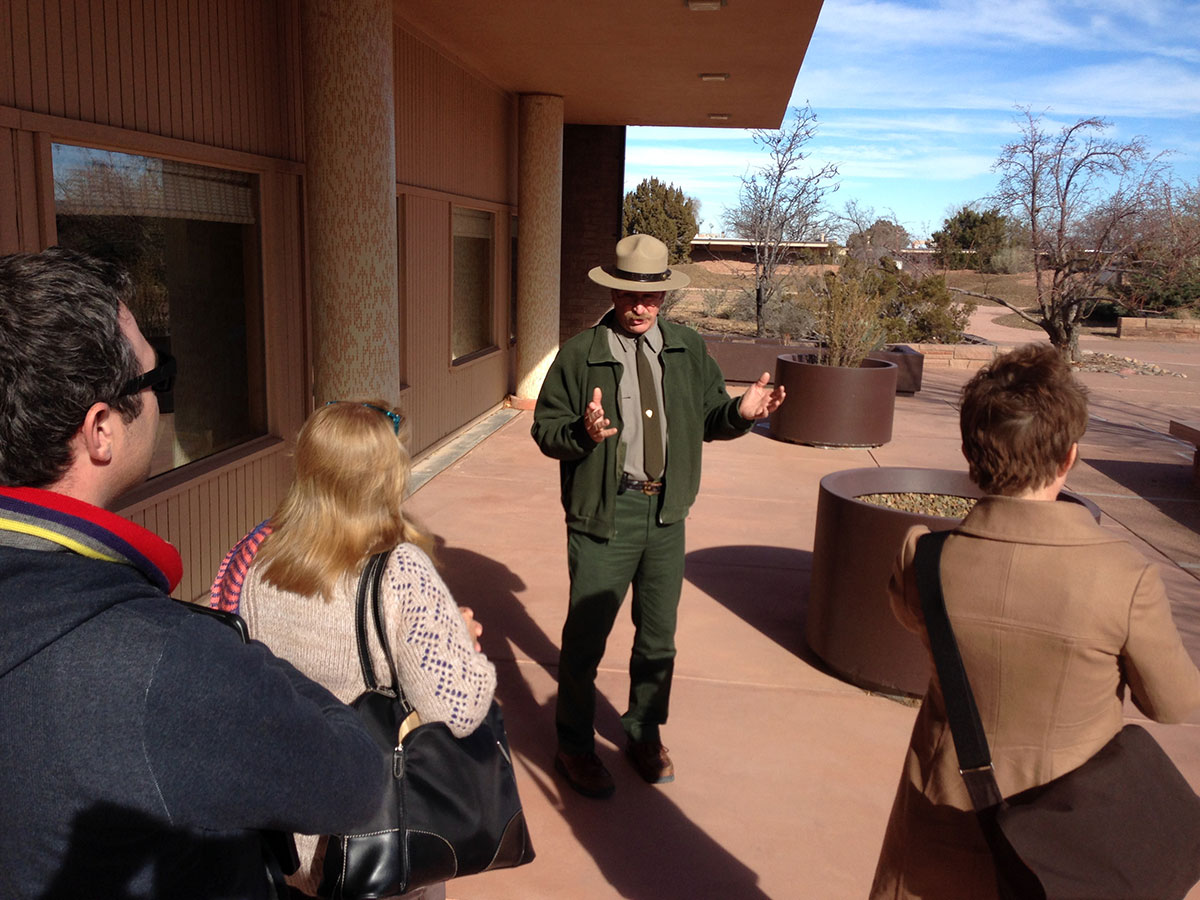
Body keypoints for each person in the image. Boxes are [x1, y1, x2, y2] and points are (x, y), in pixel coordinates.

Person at [0, 248, 387, 899]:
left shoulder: (233, 570)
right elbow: (354, 783)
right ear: (101, 430)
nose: (164, 400)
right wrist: (240, 663)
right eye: (163, 379)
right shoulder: (168, 663)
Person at [869, 343, 1200, 899]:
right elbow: (1173, 703)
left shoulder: (923, 558)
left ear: (972, 451)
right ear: (1069, 456)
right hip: (1067, 840)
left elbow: (914, 619)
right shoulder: (1124, 577)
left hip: (944, 817)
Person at [532, 233, 785, 798]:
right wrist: (583, 432)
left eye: (651, 296)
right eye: (628, 294)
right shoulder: (580, 353)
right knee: (586, 638)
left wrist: (741, 412)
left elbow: (709, 418)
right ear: (614, 292)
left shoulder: (688, 349)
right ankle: (573, 745)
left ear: (665, 296)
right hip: (606, 513)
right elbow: (546, 430)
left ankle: (644, 731)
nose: (640, 306)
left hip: (668, 513)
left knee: (659, 638)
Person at [212, 400, 497, 898]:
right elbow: (455, 712)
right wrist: (466, 645)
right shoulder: (400, 569)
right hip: (374, 838)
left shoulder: (256, 558)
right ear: (389, 475)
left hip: (281, 832)